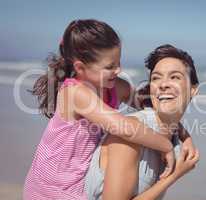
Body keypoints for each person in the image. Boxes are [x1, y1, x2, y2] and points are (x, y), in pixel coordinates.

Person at [23, 19, 182, 199]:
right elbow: (124, 127)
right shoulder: (75, 93)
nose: (118, 70)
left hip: (80, 179)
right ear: (80, 68)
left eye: (118, 62)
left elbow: (152, 105)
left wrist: (183, 135)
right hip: (51, 186)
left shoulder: (116, 87)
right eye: (109, 66)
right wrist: (166, 146)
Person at [85, 44, 200, 200]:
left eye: (174, 77)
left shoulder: (173, 136)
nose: (163, 84)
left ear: (193, 90)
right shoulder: (130, 134)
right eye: (156, 78)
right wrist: (173, 176)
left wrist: (186, 138)